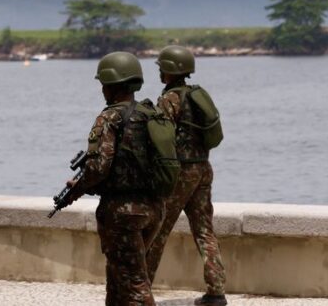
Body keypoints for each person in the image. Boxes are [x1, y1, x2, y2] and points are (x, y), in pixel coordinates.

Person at [66, 51, 168, 306]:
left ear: (112, 85)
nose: (102, 90)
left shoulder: (110, 117)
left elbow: (99, 167)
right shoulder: (150, 113)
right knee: (118, 277)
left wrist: (77, 187)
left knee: (134, 285)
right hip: (154, 207)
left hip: (123, 213)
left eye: (104, 84)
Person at [145, 45, 227, 306]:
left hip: (180, 174)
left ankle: (141, 291)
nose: (160, 72)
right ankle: (216, 290)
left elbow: (161, 137)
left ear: (170, 70)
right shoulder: (196, 96)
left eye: (162, 68)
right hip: (203, 169)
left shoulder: (170, 99)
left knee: (158, 231)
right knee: (204, 231)